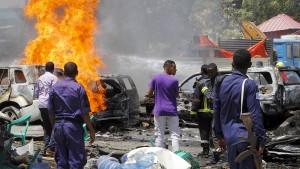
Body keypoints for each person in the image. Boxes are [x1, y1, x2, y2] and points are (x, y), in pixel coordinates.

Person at [213, 49, 267, 169]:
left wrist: (219, 136)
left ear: (233, 64)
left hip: (229, 139)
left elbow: (216, 110)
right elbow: (255, 114)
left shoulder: (220, 83)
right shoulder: (249, 84)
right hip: (245, 139)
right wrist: (262, 138)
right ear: (250, 65)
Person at [48, 62, 95, 169]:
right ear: (76, 73)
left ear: (64, 72)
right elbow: (84, 113)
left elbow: (50, 111)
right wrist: (91, 130)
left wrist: (53, 127)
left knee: (62, 161)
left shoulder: (55, 88)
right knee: (76, 161)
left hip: (59, 127)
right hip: (73, 128)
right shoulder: (79, 88)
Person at [147, 60, 180, 152]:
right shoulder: (174, 80)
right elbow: (177, 95)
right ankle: (176, 156)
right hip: (171, 110)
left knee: (159, 135)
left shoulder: (155, 78)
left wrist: (157, 93)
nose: (176, 70)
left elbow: (149, 94)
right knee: (174, 134)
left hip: (159, 110)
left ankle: (159, 157)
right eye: (174, 67)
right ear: (167, 67)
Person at [35, 62, 57, 155]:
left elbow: (36, 92)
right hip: (50, 104)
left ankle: (46, 146)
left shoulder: (40, 78)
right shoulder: (53, 78)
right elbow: (55, 91)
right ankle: (51, 147)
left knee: (46, 125)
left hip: (41, 104)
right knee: (54, 125)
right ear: (53, 69)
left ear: (45, 69)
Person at [191, 64, 213, 157]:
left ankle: (205, 151)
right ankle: (215, 151)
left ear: (201, 71)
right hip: (213, 112)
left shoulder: (199, 82)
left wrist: (193, 112)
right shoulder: (214, 81)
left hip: (202, 112)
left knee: (204, 131)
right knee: (213, 132)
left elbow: (196, 99)